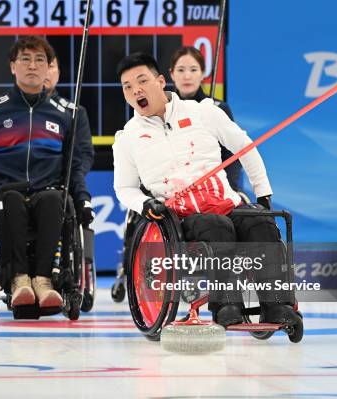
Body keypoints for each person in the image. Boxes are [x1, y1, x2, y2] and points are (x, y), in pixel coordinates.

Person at [113, 52, 298, 327]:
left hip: (227, 203)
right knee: (216, 226)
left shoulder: (204, 112)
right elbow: (125, 187)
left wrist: (263, 194)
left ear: (161, 81)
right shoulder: (128, 137)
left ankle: (277, 305)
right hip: (181, 217)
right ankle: (227, 304)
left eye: (142, 80)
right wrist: (145, 204)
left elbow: (245, 147)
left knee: (260, 222)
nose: (135, 90)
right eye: (127, 87)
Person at [0, 36, 92, 309]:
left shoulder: (66, 114)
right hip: (2, 192)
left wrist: (83, 199)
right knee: (12, 201)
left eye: (40, 60)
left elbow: (75, 166)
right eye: (25, 59)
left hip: (47, 190)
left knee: (55, 200)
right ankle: (19, 280)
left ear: (49, 67)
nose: (32, 65)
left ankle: (43, 280)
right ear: (12, 66)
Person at [169, 46, 243, 193]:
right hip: (173, 192)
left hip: (214, 191)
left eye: (193, 70)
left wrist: (228, 190)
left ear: (203, 73)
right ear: (172, 74)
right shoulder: (163, 110)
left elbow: (233, 154)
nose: (187, 76)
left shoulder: (218, 108)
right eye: (181, 70)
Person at [44, 55, 95, 225]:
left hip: (61, 186)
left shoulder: (75, 113)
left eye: (51, 66)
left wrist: (71, 178)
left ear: (58, 72)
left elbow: (85, 155)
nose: (45, 71)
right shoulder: (8, 110)